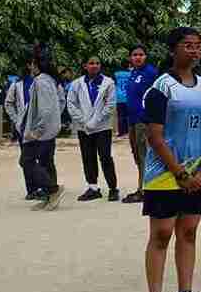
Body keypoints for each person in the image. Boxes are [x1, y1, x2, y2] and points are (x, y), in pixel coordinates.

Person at [141, 27, 201, 292]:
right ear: (173, 49)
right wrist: (181, 174)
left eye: (198, 46)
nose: (195, 51)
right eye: (188, 46)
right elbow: (155, 137)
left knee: (188, 232)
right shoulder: (161, 88)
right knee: (161, 235)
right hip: (165, 176)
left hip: (197, 176)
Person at [67, 56, 119, 202]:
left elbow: (110, 105)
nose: (94, 66)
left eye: (97, 63)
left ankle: (113, 188)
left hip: (103, 127)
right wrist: (83, 122)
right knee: (88, 157)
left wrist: (95, 121)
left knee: (106, 157)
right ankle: (93, 188)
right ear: (85, 66)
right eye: (91, 63)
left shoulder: (108, 83)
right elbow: (71, 104)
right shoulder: (76, 84)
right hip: (84, 128)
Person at [21, 45, 66, 211]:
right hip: (45, 129)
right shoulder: (46, 80)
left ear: (35, 63)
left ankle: (53, 189)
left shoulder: (42, 81)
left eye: (30, 64)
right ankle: (50, 196)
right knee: (44, 162)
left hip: (41, 131)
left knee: (27, 161)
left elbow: (46, 109)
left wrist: (37, 131)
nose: (29, 68)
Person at [123, 46, 159, 204]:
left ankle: (145, 190)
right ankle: (142, 186)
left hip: (143, 121)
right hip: (132, 120)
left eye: (141, 54)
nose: (138, 57)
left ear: (146, 56)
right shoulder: (133, 73)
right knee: (137, 155)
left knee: (145, 154)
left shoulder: (150, 73)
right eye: (134, 54)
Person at [114, 65, 131, 138]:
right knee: (128, 116)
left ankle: (121, 133)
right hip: (128, 97)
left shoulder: (116, 74)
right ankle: (128, 132)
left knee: (120, 116)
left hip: (119, 97)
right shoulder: (130, 74)